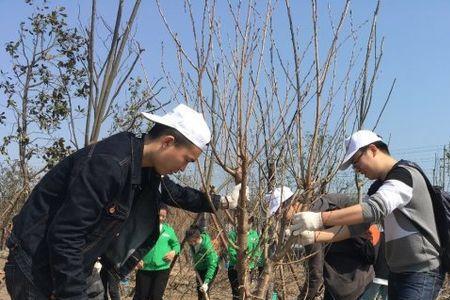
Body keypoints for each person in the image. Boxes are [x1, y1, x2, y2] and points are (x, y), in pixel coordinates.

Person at [4, 104, 244, 300]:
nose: (182, 168)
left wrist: (223, 202)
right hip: (37, 266)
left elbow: (177, 194)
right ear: (168, 142)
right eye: (187, 160)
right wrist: (68, 292)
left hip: (73, 263)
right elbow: (66, 235)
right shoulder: (110, 164)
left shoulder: (146, 169)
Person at [291, 130, 444, 300]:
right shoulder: (378, 187)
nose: (357, 170)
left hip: (421, 271)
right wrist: (313, 236)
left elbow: (374, 208)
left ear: (372, 150)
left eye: (356, 162)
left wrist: (319, 218)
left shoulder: (404, 175)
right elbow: (357, 226)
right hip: (398, 272)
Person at [298, 194, 375, 300]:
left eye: (279, 211)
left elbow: (315, 274)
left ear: (292, 206)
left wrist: (304, 297)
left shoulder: (309, 225)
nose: (278, 216)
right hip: (365, 277)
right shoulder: (329, 202)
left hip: (344, 286)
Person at [133, 204, 180, 300]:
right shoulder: (144, 228)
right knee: (141, 296)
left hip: (162, 269)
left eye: (164, 216)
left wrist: (173, 252)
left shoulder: (169, 230)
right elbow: (134, 245)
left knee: (156, 297)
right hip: (144, 268)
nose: (161, 218)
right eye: (159, 215)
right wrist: (136, 258)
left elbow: (176, 245)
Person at [227, 216, 261, 299]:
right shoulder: (233, 234)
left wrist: (251, 260)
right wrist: (238, 262)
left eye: (250, 222)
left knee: (246, 292)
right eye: (246, 222)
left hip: (249, 268)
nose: (248, 225)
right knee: (237, 293)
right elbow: (231, 251)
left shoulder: (254, 234)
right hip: (235, 268)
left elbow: (257, 250)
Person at [186, 225, 219, 300]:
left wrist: (206, 282)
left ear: (198, 237)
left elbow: (212, 265)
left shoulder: (207, 247)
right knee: (200, 292)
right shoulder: (192, 243)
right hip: (199, 268)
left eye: (193, 241)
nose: (191, 243)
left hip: (210, 268)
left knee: (204, 291)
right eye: (189, 241)